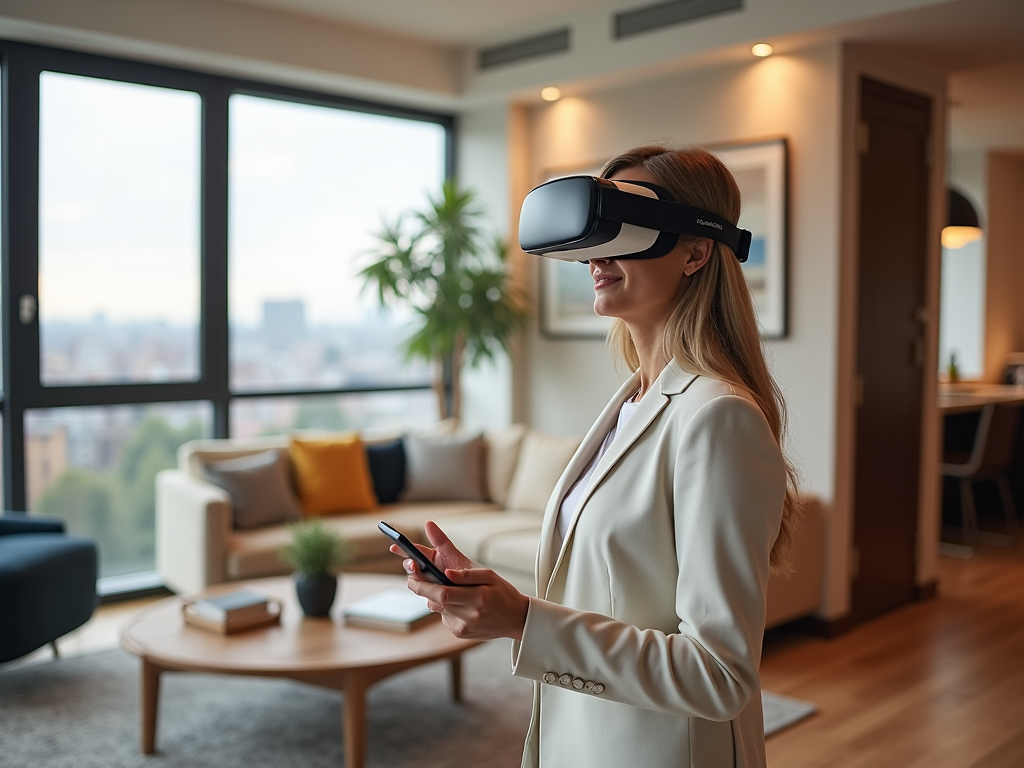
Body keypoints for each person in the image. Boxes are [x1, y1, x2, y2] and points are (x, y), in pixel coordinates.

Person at [391, 144, 802, 768]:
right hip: (581, 739)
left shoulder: (717, 417)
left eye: (625, 226)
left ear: (696, 251)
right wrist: (500, 603)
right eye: (594, 232)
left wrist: (524, 621)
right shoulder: (632, 401)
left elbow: (719, 675)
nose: (596, 256)